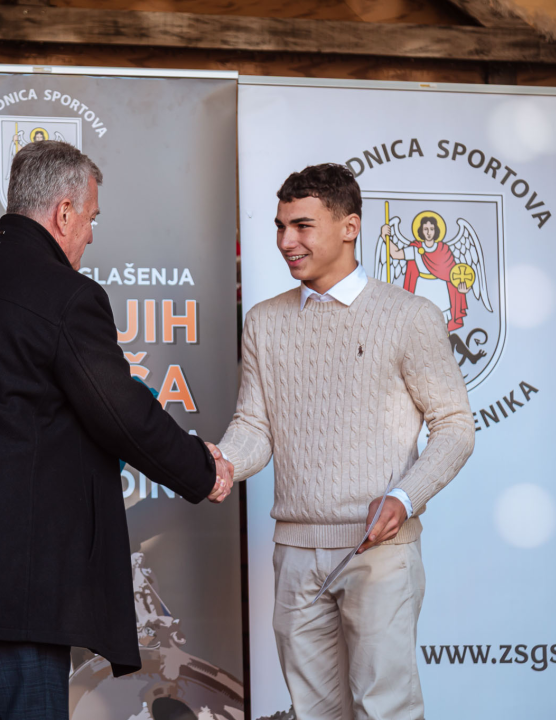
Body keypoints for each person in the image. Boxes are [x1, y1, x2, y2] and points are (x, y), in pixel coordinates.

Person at [0, 140, 234, 720]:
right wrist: (202, 468)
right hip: (17, 585)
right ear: (64, 212)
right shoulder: (67, 296)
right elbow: (121, 413)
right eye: (90, 218)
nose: (90, 234)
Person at [218, 164, 474, 720]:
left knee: (385, 710)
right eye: (282, 227)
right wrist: (218, 464)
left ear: (349, 226)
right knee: (312, 712)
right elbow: (254, 428)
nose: (287, 241)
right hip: (295, 552)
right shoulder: (264, 321)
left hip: (379, 550)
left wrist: (405, 498)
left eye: (303, 226)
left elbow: (455, 426)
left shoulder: (410, 316)